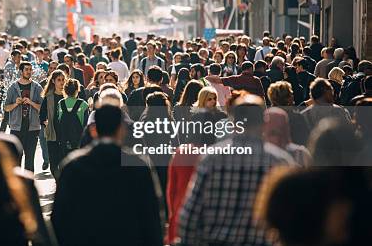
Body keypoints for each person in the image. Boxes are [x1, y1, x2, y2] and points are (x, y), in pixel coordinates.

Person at [179, 94, 294, 246]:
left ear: (233, 122)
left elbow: (189, 215)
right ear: (263, 122)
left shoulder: (211, 158)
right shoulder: (279, 161)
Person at [51, 105, 164, 246]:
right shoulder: (138, 165)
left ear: (93, 130)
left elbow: (59, 218)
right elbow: (151, 217)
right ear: (122, 129)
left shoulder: (72, 165)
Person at [165, 111, 217, 245]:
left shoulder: (181, 152)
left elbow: (171, 191)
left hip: (181, 214)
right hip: (210, 220)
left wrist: (172, 213)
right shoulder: (217, 154)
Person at [4, 62, 43, 172]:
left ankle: (29, 187)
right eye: (26, 69)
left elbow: (42, 108)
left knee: (30, 160)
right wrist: (16, 104)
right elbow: (6, 108)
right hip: (16, 128)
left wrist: (31, 102)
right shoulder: (13, 87)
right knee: (16, 159)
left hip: (33, 128)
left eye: (30, 69)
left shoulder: (37, 87)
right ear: (21, 71)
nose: (29, 72)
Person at [267, 81, 311, 146]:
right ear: (287, 98)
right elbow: (306, 140)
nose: (293, 96)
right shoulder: (297, 117)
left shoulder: (267, 117)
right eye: (291, 94)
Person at [40, 70, 67, 178]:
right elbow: (42, 113)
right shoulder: (48, 96)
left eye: (63, 80)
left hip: (65, 133)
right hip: (52, 132)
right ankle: (57, 181)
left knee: (64, 161)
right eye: (59, 80)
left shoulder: (68, 96)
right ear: (53, 81)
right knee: (53, 161)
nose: (61, 82)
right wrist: (44, 122)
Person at [56, 79, 89, 157]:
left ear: (65, 90)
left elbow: (58, 120)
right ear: (77, 90)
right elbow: (86, 124)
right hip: (79, 141)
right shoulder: (83, 104)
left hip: (64, 140)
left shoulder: (61, 103)